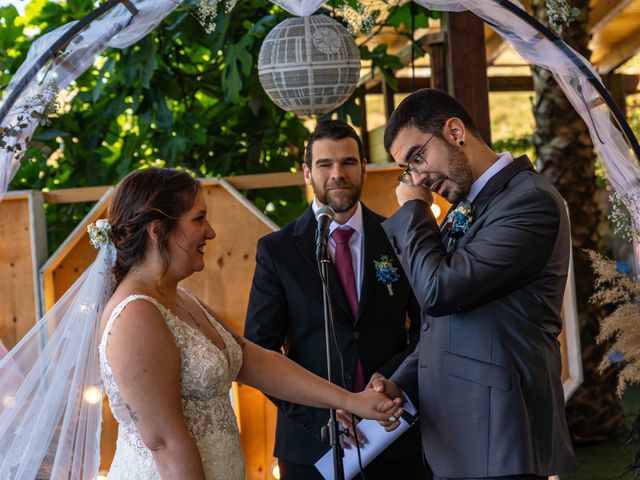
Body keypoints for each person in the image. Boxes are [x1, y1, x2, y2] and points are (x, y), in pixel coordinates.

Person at [0, 167, 398, 480]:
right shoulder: (135, 315)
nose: (209, 232)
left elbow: (253, 361)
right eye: (198, 219)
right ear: (159, 231)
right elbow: (166, 443)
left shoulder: (179, 297)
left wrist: (350, 400)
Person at [369, 89, 577, 480]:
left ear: (454, 131)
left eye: (417, 158)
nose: (418, 179)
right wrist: (400, 385)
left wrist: (413, 209)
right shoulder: (467, 208)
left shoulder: (529, 201)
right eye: (408, 170)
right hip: (460, 436)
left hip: (502, 438)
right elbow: (448, 327)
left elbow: (439, 291)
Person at [244, 120, 426, 479]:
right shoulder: (277, 251)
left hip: (395, 432)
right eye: (325, 164)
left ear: (363, 169)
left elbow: (427, 328)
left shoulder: (397, 236)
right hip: (312, 447)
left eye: (348, 163)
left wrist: (392, 384)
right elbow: (259, 351)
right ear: (308, 173)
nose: (337, 174)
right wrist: (321, 414)